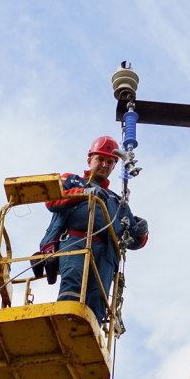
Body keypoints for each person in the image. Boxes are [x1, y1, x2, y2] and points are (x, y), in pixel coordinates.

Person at [38, 136, 149, 323]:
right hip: (75, 241)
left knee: (98, 297)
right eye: (100, 159)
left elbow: (134, 241)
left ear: (114, 167)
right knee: (73, 277)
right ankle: (66, 323)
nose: (104, 165)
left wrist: (141, 231)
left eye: (110, 162)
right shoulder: (71, 181)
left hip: (106, 254)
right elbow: (51, 200)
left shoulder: (117, 202)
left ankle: (90, 335)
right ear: (90, 160)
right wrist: (84, 193)